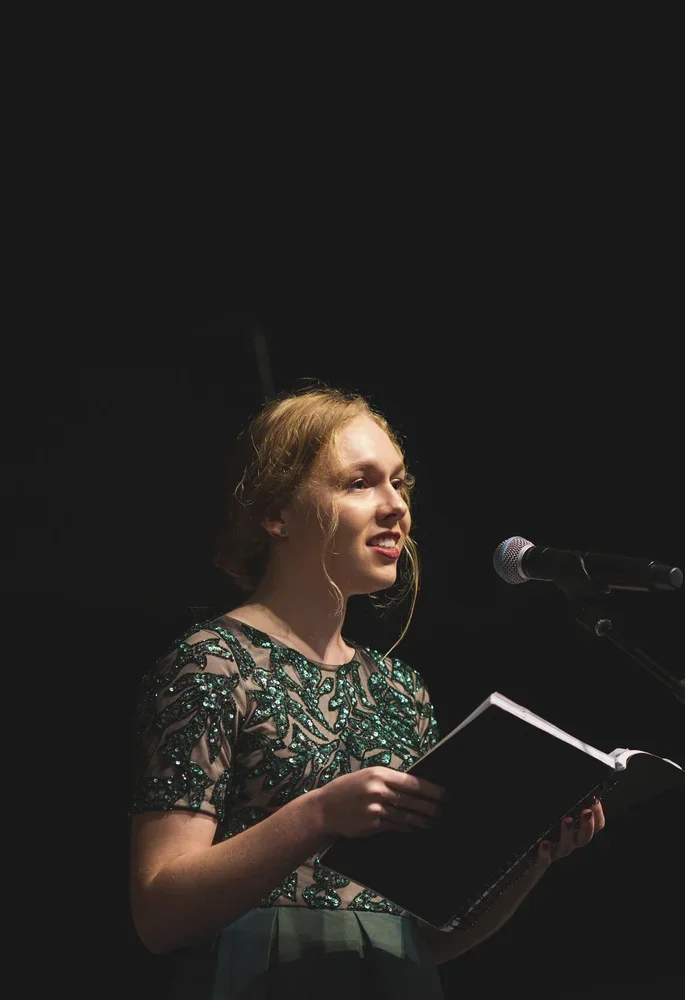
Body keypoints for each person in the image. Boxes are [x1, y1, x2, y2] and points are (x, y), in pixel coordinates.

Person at [127, 385, 605, 998]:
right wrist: (319, 814)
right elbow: (160, 914)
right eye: (360, 483)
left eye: (399, 484)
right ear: (276, 514)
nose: (395, 508)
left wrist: (533, 859)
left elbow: (422, 939)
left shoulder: (402, 691)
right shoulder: (211, 663)